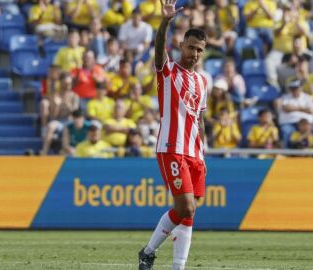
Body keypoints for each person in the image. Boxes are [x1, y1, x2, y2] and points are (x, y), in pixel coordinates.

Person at [138, 0, 208, 269]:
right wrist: (165, 22)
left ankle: (168, 262)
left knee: (188, 213)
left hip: (194, 154)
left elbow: (198, 118)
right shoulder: (167, 72)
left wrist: (203, 155)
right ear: (181, 45)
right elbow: (158, 51)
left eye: (199, 50)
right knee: (186, 207)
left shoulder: (202, 82)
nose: (194, 53)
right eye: (191, 47)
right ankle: (149, 251)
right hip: (171, 147)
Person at [40, 72, 80, 155]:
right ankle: (44, 151)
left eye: (69, 83)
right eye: (65, 83)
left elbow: (75, 114)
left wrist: (67, 104)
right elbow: (54, 116)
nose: (67, 86)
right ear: (61, 83)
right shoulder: (55, 95)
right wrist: (57, 105)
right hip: (58, 121)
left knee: (67, 128)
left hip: (70, 121)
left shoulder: (74, 96)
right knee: (51, 126)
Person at [276, 79, 313, 148]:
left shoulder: (307, 97)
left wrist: (294, 108)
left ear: (301, 88)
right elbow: (286, 108)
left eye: (296, 88)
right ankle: (288, 154)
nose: (294, 90)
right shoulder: (285, 97)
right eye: (292, 89)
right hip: (289, 123)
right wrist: (303, 109)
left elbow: (311, 110)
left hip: (306, 123)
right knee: (286, 131)